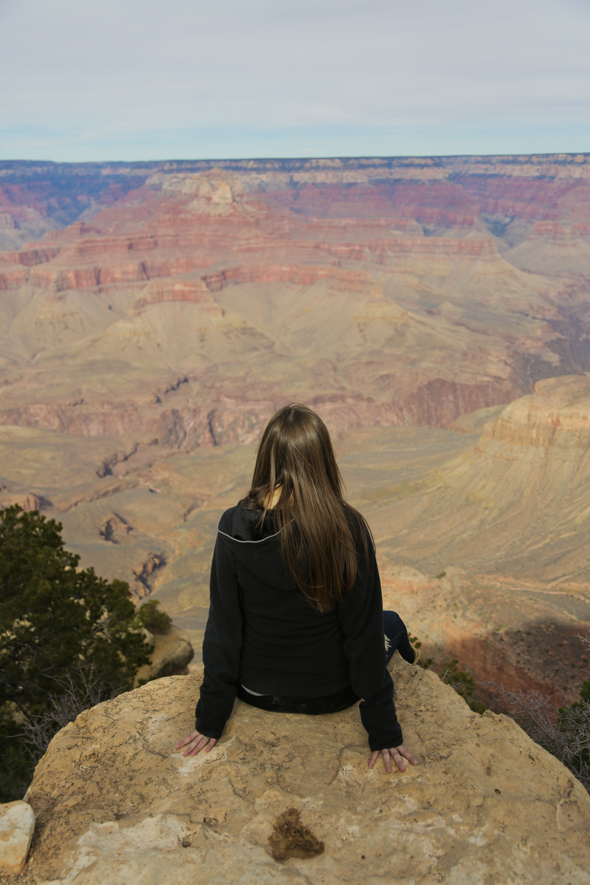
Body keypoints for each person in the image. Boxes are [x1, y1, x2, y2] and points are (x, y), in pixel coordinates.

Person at [176, 404, 418, 773]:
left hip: (257, 692)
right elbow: (361, 635)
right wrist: (384, 731)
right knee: (388, 622)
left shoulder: (233, 525)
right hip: (331, 694)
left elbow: (224, 628)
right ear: (322, 459)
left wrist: (210, 720)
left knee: (384, 621)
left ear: (267, 457)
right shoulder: (346, 527)